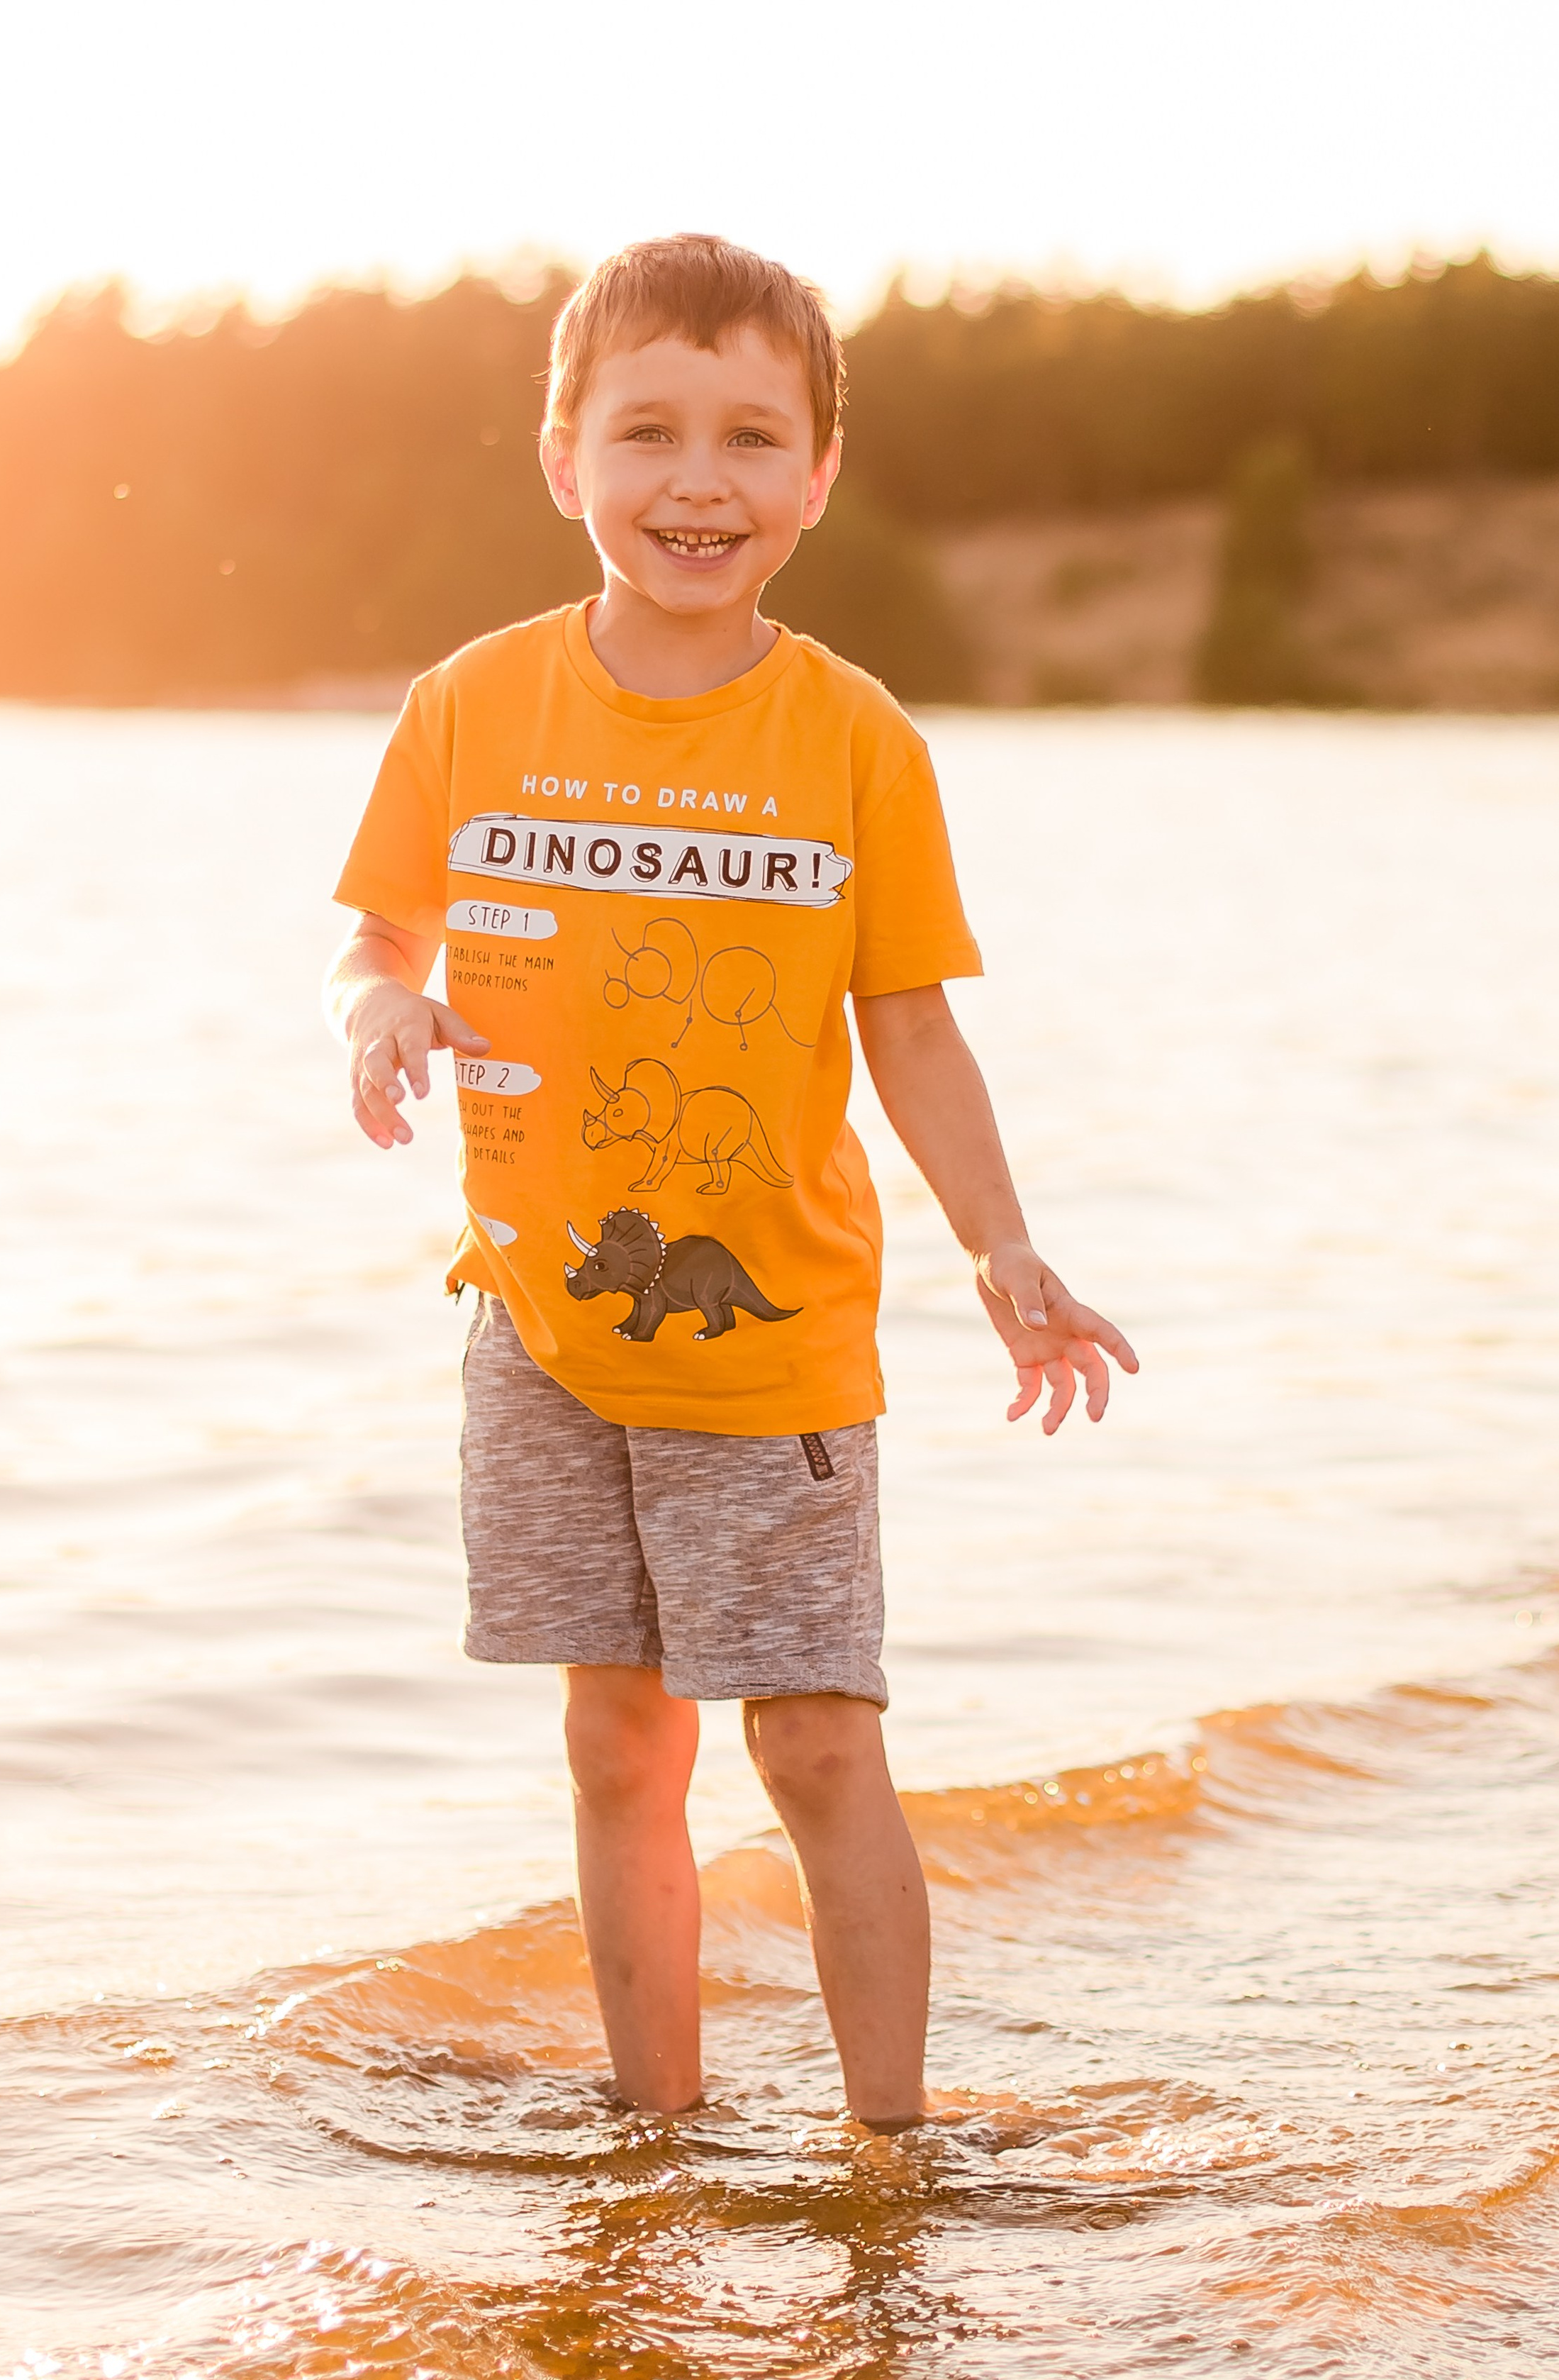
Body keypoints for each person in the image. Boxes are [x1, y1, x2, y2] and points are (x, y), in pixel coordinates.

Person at [324, 234, 1136, 2131]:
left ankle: (891, 2154)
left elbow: (911, 1028)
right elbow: (376, 932)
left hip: (769, 1356)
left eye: (753, 437)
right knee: (617, 1741)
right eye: (650, 432)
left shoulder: (853, 738)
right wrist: (375, 1010)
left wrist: (1003, 1248)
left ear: (818, 478)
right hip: (539, 1328)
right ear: (566, 459)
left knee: (818, 1747)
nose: (700, 481)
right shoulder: (471, 703)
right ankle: (657, 2137)